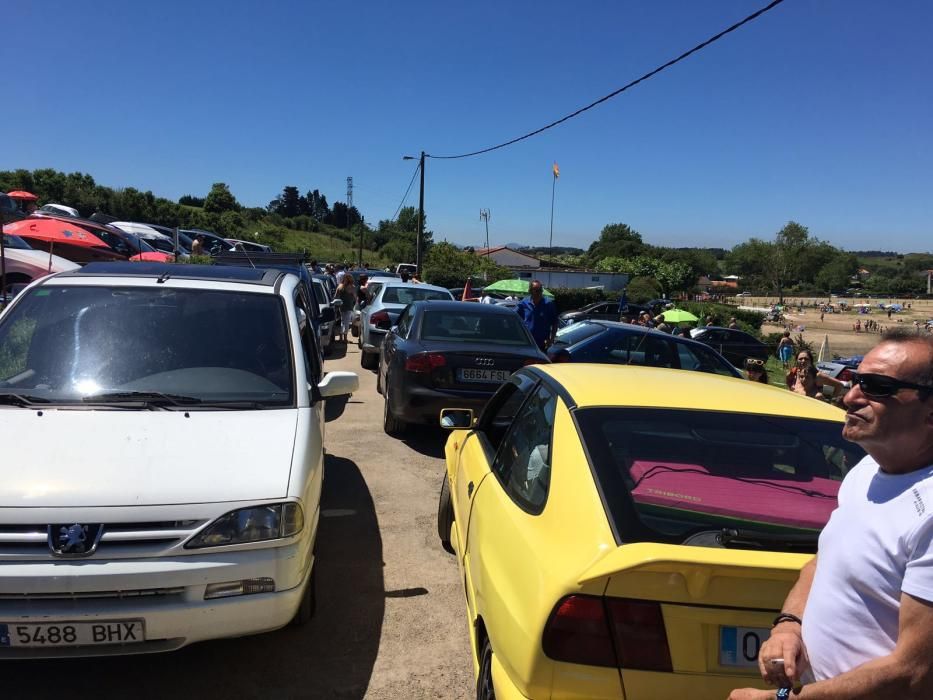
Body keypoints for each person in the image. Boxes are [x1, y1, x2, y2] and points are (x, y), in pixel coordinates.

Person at [729, 332, 933, 700]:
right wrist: (789, 628)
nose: (851, 396)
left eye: (877, 387)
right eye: (855, 380)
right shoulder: (868, 469)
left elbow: (915, 674)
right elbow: (826, 561)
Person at [516, 280, 558, 351]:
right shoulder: (524, 303)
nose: (539, 292)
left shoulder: (548, 304)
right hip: (527, 342)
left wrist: (551, 339)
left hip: (542, 344)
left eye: (540, 290)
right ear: (530, 291)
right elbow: (514, 318)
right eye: (536, 290)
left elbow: (555, 323)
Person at [334, 274, 356, 343]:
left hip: (341, 306)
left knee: (342, 321)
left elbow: (335, 296)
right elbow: (355, 297)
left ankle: (341, 338)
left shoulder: (340, 286)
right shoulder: (351, 287)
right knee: (346, 323)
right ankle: (345, 338)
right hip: (349, 306)